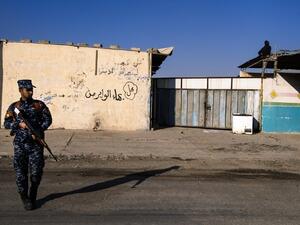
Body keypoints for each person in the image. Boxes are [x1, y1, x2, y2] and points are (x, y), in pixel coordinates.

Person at [4, 79, 52, 210]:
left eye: (31, 89)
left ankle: (33, 193)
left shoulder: (39, 105)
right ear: (20, 90)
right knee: (21, 174)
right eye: (28, 89)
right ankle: (25, 197)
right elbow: (6, 123)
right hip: (20, 145)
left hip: (35, 145)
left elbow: (48, 119)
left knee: (36, 173)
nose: (30, 92)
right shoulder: (14, 107)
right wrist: (18, 124)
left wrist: (38, 130)